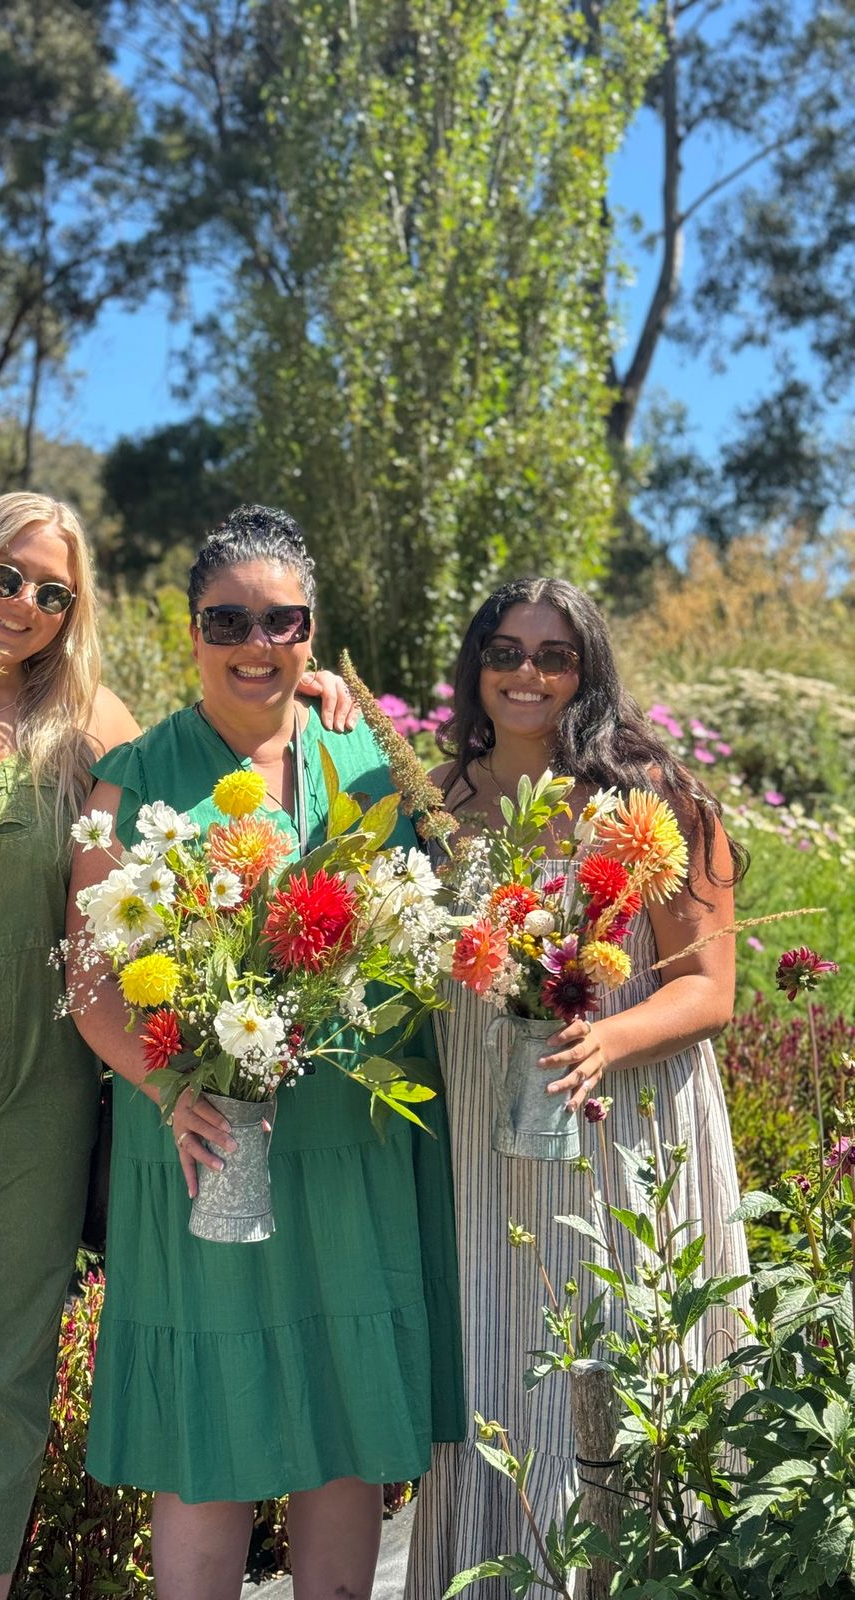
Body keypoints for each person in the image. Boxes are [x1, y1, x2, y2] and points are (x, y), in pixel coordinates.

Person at [0, 491, 358, 1600]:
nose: (24, 606)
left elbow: (207, 746)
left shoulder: (92, 723)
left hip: (38, 1096)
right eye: (7, 577)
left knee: (3, 1385)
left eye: (53, 592)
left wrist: (313, 690)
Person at [66, 504, 463, 1600]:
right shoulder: (138, 773)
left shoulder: (367, 752)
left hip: (348, 1142)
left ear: (310, 630)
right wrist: (165, 1088)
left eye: (281, 620)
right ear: (191, 628)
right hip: (201, 1140)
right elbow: (88, 983)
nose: (256, 643)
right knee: (213, 1428)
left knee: (339, 1427)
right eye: (227, 618)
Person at [404, 577, 751, 1600]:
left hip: (622, 1122)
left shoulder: (662, 800)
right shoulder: (432, 802)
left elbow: (710, 987)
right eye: (504, 651)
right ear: (475, 665)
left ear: (589, 670)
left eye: (554, 656)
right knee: (499, 1369)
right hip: (480, 1136)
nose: (526, 674)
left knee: (616, 1361)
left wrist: (604, 1040)